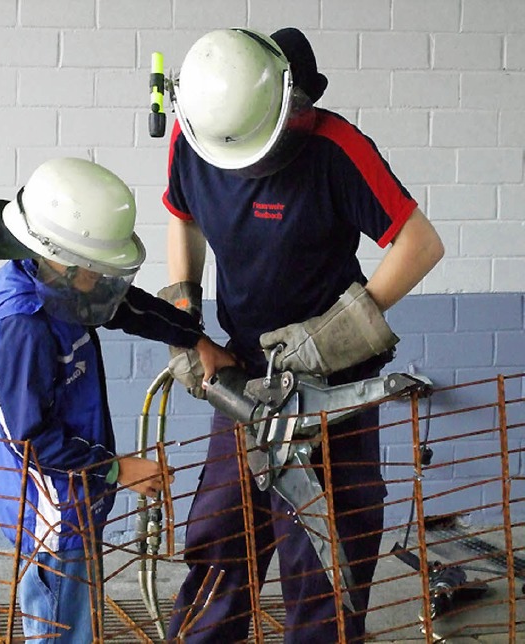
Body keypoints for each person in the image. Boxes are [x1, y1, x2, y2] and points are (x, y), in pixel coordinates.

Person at [157, 27, 444, 642]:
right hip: (242, 374)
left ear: (292, 102)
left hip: (329, 382)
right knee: (221, 537)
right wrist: (185, 314)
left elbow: (420, 244)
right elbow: (182, 216)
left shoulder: (336, 148)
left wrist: (332, 336)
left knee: (323, 554)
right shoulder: (198, 130)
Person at [0, 157, 235, 643]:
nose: (101, 282)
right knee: (61, 628)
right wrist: (117, 469)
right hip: (52, 512)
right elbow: (30, 440)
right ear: (60, 259)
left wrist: (196, 339)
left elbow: (127, 306)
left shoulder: (65, 284)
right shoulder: (23, 324)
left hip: (77, 495)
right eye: (95, 271)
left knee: (77, 617)